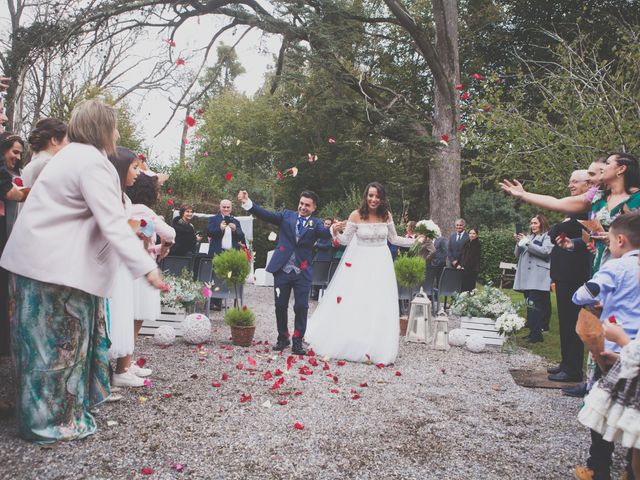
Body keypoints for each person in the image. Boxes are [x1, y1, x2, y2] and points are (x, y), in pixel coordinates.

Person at [0, 99, 164, 442]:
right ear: (102, 129)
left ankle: (42, 415)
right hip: (53, 271)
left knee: (41, 350)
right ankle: (52, 423)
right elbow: (112, 223)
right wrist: (146, 268)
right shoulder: (91, 163)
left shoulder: (72, 157)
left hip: (39, 265)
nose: (116, 134)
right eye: (114, 127)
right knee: (57, 349)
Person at [305, 182, 419, 365]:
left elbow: (394, 239)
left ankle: (375, 345)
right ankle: (352, 341)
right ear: (366, 196)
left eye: (377, 196)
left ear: (382, 198)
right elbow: (344, 240)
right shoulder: (356, 215)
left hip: (381, 263)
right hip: (360, 262)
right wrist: (334, 232)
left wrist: (416, 242)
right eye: (371, 195)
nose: (373, 199)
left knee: (378, 303)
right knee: (357, 300)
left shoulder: (386, 215)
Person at [572, 212, 640, 480]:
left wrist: (585, 299)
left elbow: (585, 293)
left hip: (613, 351)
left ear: (620, 240)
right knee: (634, 413)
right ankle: (630, 469)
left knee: (602, 408)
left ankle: (597, 467)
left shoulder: (616, 266)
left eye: (610, 241)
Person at [238, 189, 332, 355]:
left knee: (301, 306)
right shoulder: (287, 215)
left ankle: (297, 341)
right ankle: (283, 338)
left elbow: (325, 234)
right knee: (280, 305)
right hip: (282, 269)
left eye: (307, 205)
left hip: (302, 272)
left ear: (314, 207)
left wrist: (334, 229)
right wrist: (248, 203)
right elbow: (265, 214)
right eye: (301, 203)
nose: (303, 207)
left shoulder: (316, 223)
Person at [546, 170, 592, 383]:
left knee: (573, 321)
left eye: (575, 181)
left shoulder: (587, 209)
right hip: (563, 274)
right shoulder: (573, 212)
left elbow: (556, 231)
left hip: (575, 274)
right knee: (565, 320)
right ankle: (566, 363)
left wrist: (559, 225)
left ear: (588, 184)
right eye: (569, 181)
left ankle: (573, 368)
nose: (570, 185)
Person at [513, 214, 553, 343]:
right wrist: (518, 243)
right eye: (531, 223)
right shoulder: (529, 237)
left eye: (535, 223)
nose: (532, 226)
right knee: (531, 305)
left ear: (542, 223)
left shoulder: (547, 236)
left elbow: (546, 251)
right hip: (526, 276)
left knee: (535, 304)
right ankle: (533, 332)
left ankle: (537, 334)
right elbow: (517, 254)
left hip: (538, 276)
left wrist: (528, 243)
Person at [208, 199, 245, 309]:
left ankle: (221, 300)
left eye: (228, 207)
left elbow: (241, 236)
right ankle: (212, 301)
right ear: (220, 207)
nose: (226, 209)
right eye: (224, 207)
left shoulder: (235, 221)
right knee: (214, 276)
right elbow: (209, 232)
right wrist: (220, 228)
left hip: (231, 254)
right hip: (217, 253)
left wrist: (235, 230)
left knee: (227, 277)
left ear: (231, 208)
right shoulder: (213, 219)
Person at [21, 118, 68, 187]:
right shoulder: (49, 164)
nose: (68, 145)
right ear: (54, 140)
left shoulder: (31, 164)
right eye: (67, 140)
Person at [310, 218, 334, 300]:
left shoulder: (331, 234)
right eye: (326, 223)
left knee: (323, 276)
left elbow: (327, 246)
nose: (327, 225)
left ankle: (320, 295)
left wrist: (317, 244)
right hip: (318, 257)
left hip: (326, 258)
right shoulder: (320, 233)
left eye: (328, 224)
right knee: (316, 274)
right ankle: (315, 293)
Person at [458, 227, 481, 292]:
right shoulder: (466, 242)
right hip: (463, 269)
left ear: (477, 235)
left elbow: (471, 258)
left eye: (474, 233)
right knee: (462, 287)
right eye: (470, 233)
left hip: (471, 269)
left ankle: (469, 301)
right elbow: (462, 254)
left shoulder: (477, 244)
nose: (471, 235)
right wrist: (459, 264)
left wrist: (464, 266)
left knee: (469, 288)